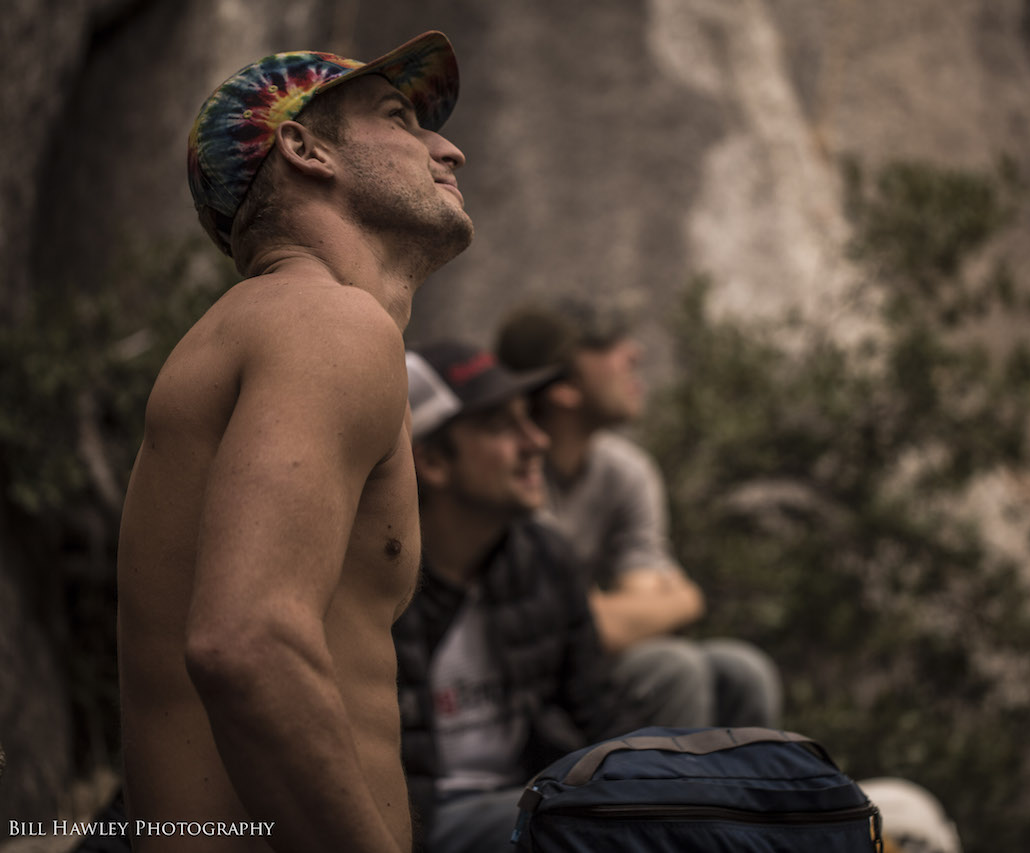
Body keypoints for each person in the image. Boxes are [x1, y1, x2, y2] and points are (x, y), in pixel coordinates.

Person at [116, 31, 472, 853]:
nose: (449, 149)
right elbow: (247, 643)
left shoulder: (267, 326)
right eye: (400, 118)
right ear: (306, 149)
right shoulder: (324, 322)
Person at [394, 342, 648, 853]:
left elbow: (596, 710)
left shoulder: (543, 559)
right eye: (499, 426)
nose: (536, 440)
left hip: (528, 793)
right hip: (429, 820)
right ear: (433, 460)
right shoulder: (380, 585)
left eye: (527, 418)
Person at [495, 297, 783, 730]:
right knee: (673, 668)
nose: (634, 353)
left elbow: (636, 597)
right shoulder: (512, 475)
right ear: (565, 387)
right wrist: (685, 598)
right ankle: (665, 779)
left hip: (592, 668)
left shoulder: (624, 471)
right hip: (530, 687)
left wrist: (648, 607)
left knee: (742, 671)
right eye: (607, 344)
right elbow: (597, 628)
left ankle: (735, 780)